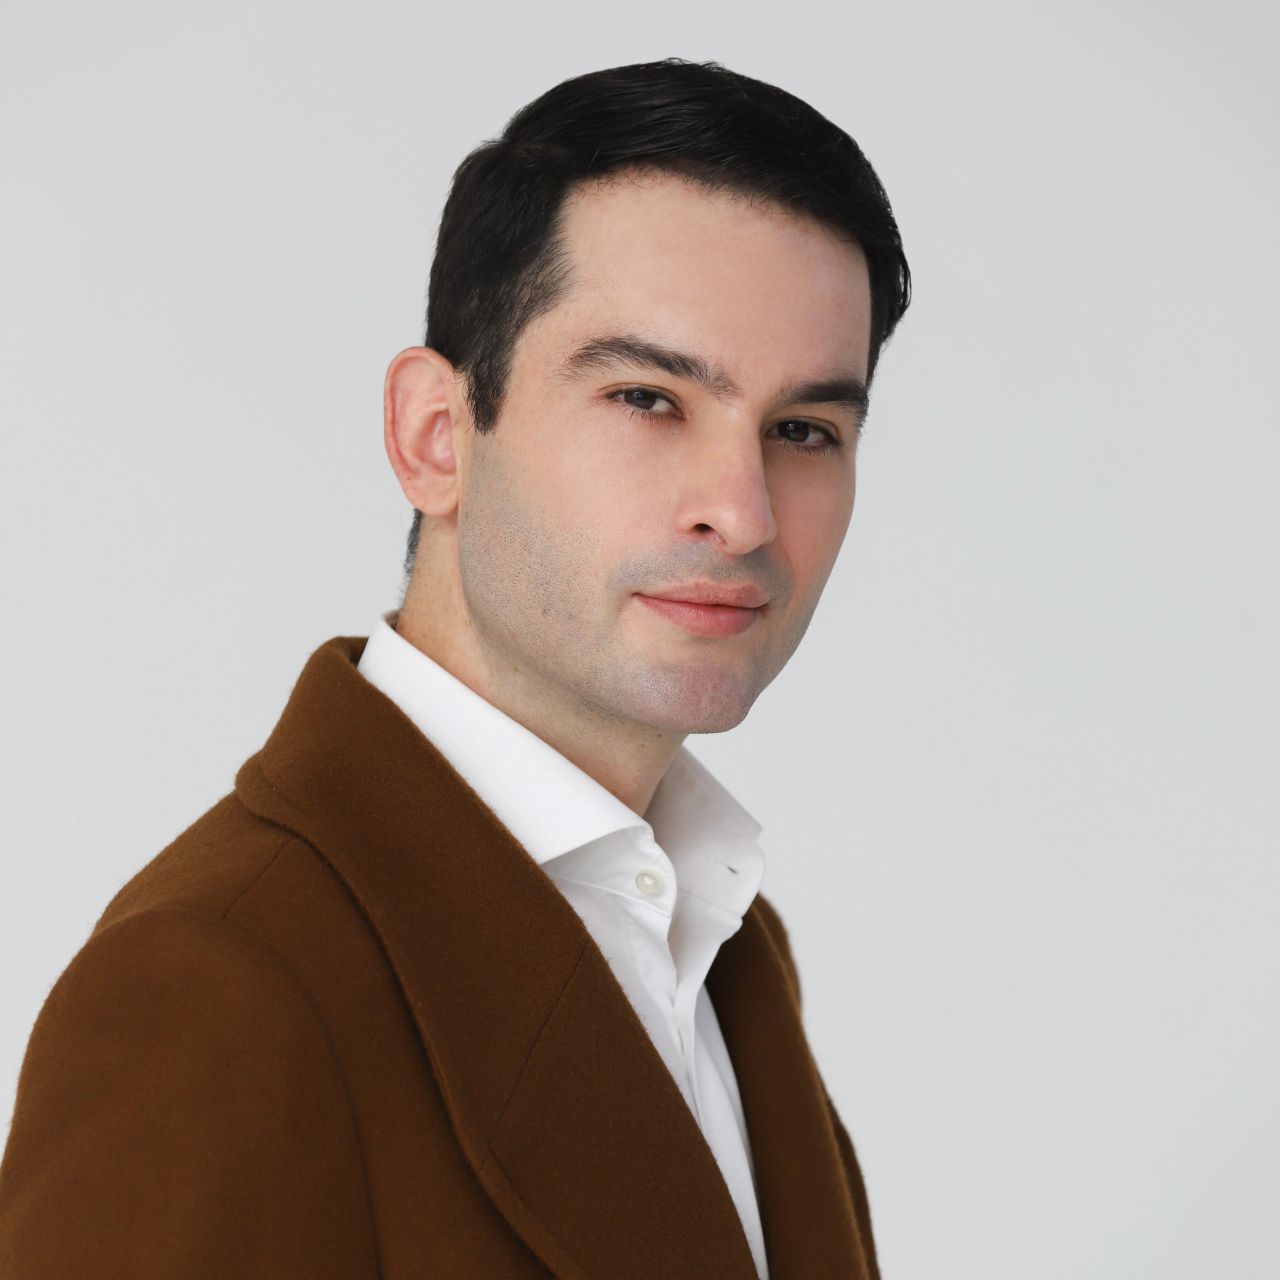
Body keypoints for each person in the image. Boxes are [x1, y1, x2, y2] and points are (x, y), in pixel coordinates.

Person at [0, 56, 910, 1278]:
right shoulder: (218, 984)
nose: (741, 512)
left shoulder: (721, 942)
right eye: (646, 398)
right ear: (436, 435)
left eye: (802, 430)